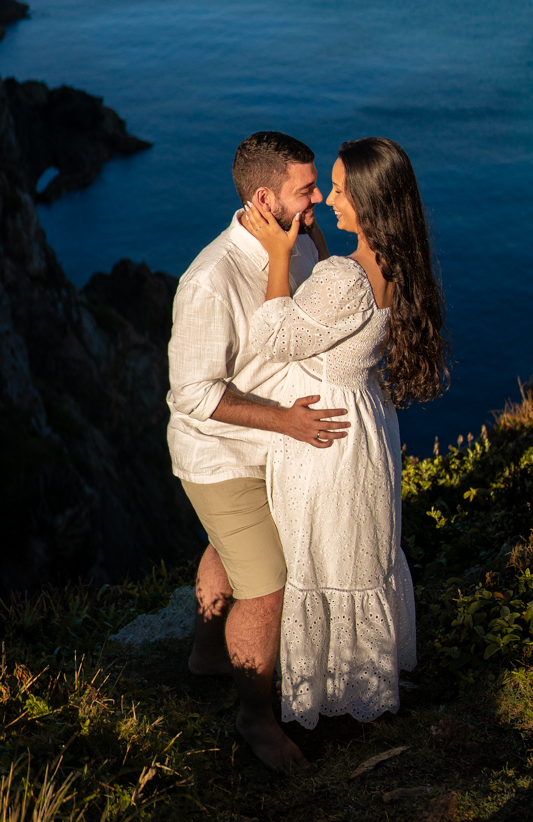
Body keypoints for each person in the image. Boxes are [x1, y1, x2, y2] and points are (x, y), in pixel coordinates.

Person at [241, 136, 447, 729]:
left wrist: (279, 255)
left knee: (324, 556)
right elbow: (345, 321)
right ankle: (363, 683)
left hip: (325, 435)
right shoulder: (398, 262)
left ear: (370, 200)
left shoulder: (341, 278)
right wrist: (320, 251)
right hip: (368, 425)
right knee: (358, 554)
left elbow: (274, 337)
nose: (326, 198)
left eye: (338, 188)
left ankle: (326, 699)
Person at [166, 131, 353, 773]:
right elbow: (194, 394)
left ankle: (205, 657)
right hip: (223, 454)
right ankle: (255, 718)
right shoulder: (210, 279)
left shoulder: (292, 243)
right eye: (306, 192)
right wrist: (286, 422)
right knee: (267, 584)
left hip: (270, 443)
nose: (318, 202)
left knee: (230, 547)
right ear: (265, 197)